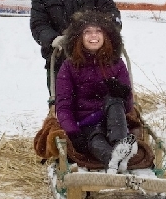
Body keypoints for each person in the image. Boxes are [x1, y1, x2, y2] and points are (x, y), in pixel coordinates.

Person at [30, 0, 121, 96]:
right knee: (62, 107)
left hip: (97, 58)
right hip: (60, 59)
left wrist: (101, 34)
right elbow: (38, 25)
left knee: (104, 104)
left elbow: (112, 15)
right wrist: (53, 39)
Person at [55, 10, 138, 175]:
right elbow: (63, 105)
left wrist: (123, 93)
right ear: (79, 37)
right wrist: (72, 131)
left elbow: (128, 107)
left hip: (114, 120)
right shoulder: (69, 67)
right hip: (86, 123)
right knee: (95, 140)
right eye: (88, 32)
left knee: (114, 100)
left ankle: (120, 145)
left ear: (106, 35)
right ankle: (114, 160)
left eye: (98, 31)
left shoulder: (117, 64)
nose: (93, 36)